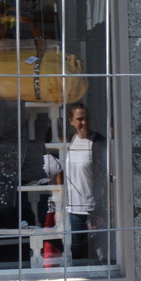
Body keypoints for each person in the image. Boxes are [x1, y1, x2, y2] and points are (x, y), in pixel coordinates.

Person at [60, 103, 106, 263]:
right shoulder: (69, 141)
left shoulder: (98, 142)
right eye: (79, 119)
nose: (84, 123)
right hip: (74, 208)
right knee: (77, 251)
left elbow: (105, 176)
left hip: (93, 208)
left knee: (98, 254)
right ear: (71, 121)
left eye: (86, 119)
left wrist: (100, 209)